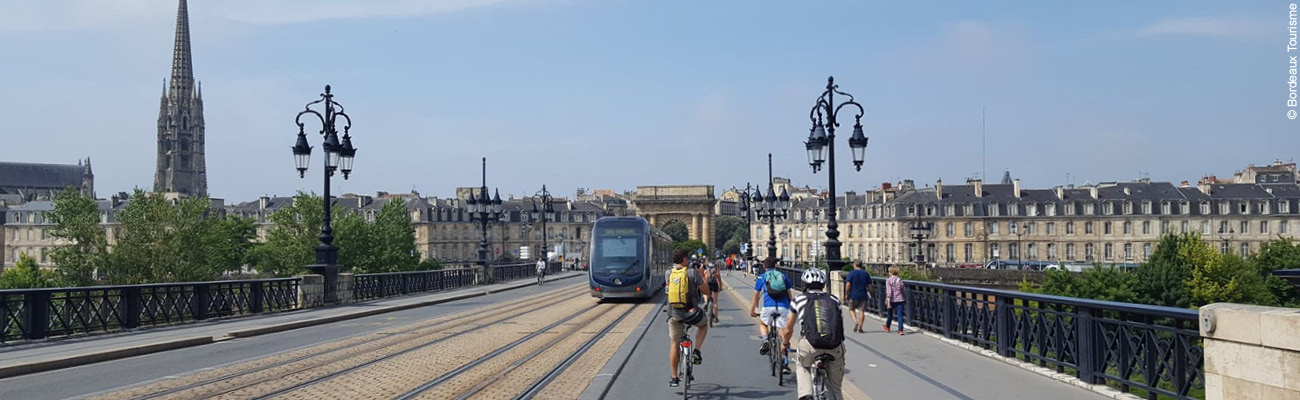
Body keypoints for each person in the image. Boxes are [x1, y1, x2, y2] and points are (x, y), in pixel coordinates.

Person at [782, 268, 846, 400]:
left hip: (810, 345)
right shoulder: (834, 300)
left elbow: (788, 328)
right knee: (836, 388)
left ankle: (806, 394)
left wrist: (785, 343)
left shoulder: (799, 300)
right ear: (823, 285)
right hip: (834, 346)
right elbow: (840, 326)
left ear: (804, 285)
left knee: (801, 365)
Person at [666, 248, 711, 387]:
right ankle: (696, 350)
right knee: (703, 325)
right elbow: (706, 290)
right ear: (685, 260)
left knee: (674, 342)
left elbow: (667, 291)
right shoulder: (692, 272)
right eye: (687, 259)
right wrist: (700, 276)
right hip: (692, 313)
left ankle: (674, 378)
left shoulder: (668, 273)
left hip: (674, 314)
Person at [749, 257, 794, 375]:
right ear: (775, 266)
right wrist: (792, 309)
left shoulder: (761, 277)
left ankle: (765, 340)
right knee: (783, 334)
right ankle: (785, 362)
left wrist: (752, 310)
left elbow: (755, 297)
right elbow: (790, 295)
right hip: (783, 307)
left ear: (764, 267)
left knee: (763, 324)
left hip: (768, 307)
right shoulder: (783, 276)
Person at [844, 261, 873, 333]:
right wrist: (872, 294)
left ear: (855, 265)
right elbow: (870, 286)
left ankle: (855, 321)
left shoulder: (851, 273)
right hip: (863, 294)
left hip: (853, 294)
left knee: (851, 309)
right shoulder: (865, 274)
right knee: (861, 311)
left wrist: (847, 293)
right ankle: (860, 327)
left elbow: (848, 284)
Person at [883, 266, 906, 334]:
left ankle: (887, 327)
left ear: (890, 272)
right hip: (900, 299)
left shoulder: (888, 280)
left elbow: (889, 292)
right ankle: (900, 330)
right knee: (900, 315)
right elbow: (903, 290)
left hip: (892, 300)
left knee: (890, 314)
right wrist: (904, 297)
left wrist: (888, 302)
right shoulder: (900, 280)